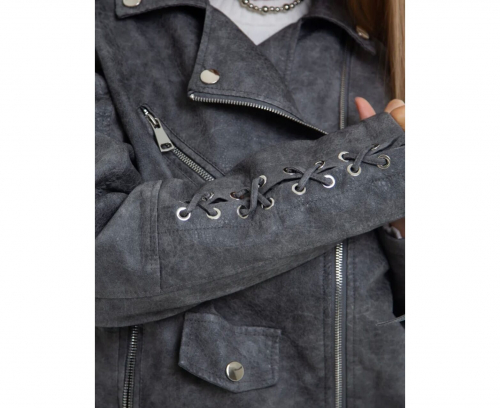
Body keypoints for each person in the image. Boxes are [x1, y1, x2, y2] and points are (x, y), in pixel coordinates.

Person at [95, 0, 405, 406]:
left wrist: (403, 234)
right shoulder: (104, 29)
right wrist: (372, 170)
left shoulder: (387, 37)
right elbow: (104, 255)